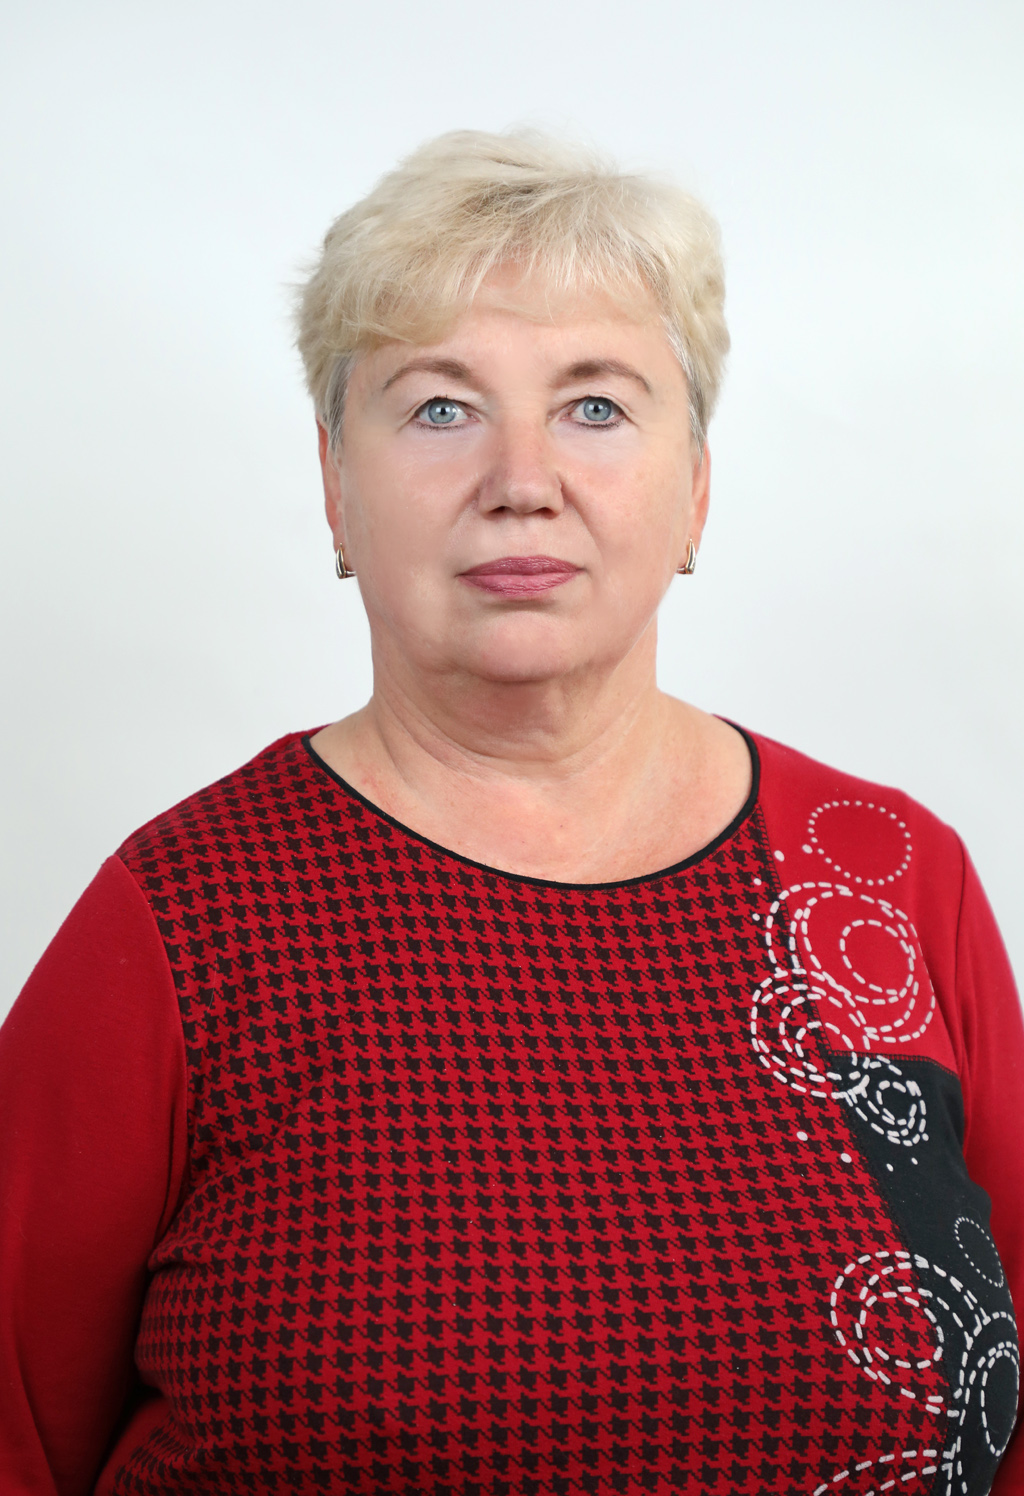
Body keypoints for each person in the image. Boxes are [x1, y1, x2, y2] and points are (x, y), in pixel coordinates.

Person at [1, 128, 1021, 1496]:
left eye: (595, 406)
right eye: (440, 409)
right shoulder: (181, 918)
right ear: (335, 487)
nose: (521, 479)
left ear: (695, 489)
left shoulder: (886, 876)